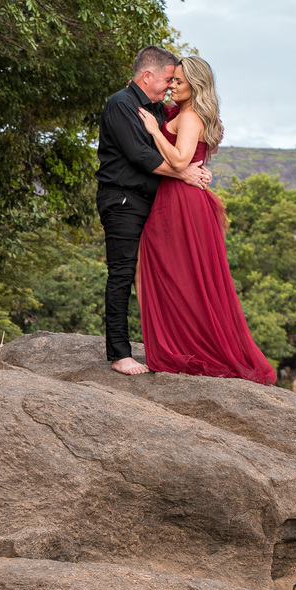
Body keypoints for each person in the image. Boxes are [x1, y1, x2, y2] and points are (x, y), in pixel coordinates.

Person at [134, 56, 277, 384]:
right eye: (172, 80)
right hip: (178, 199)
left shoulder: (191, 117)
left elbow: (181, 158)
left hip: (180, 202)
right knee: (172, 273)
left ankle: (181, 347)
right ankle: (173, 343)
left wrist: (155, 132)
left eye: (179, 82)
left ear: (195, 87)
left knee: (178, 275)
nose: (172, 86)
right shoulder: (182, 113)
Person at [96, 46, 213, 375]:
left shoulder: (158, 109)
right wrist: (184, 172)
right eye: (166, 79)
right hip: (122, 199)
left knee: (155, 274)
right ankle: (119, 352)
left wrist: (193, 167)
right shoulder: (122, 104)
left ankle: (165, 346)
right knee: (122, 272)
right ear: (147, 76)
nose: (170, 86)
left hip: (153, 201)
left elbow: (178, 148)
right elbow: (140, 156)